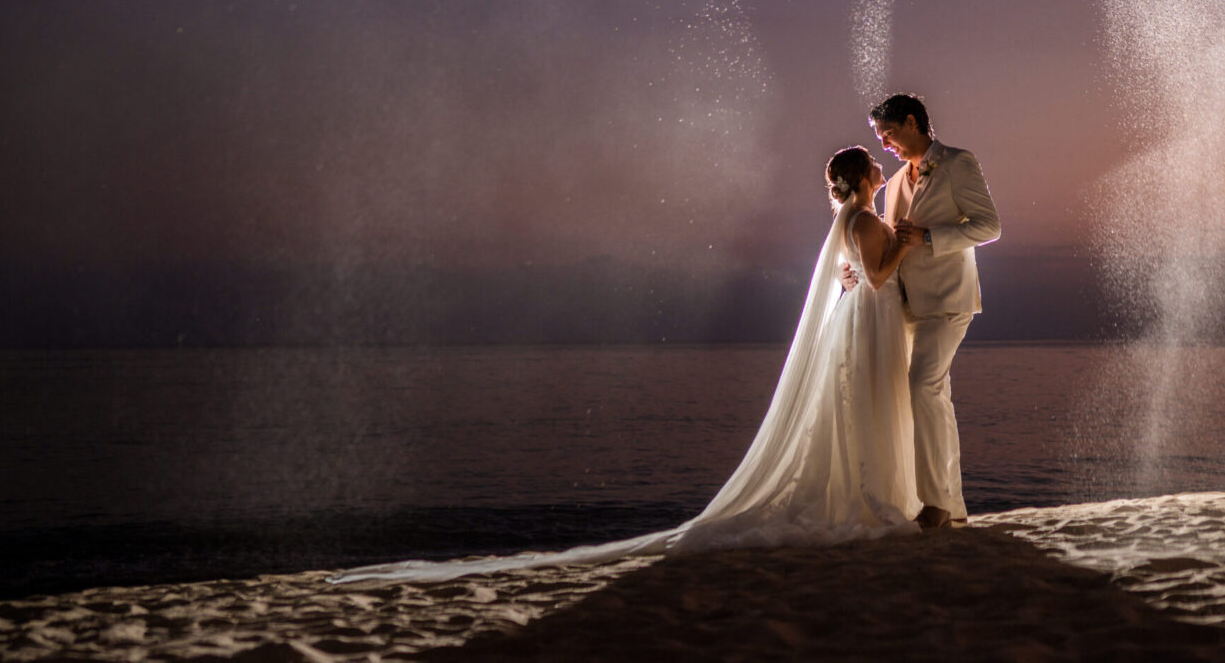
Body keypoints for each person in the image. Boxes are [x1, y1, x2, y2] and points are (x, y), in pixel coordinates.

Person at [332, 146, 921, 584]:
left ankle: (861, 491)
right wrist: (905, 243)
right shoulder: (866, 220)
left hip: (853, 326)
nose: (880, 172)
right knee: (868, 406)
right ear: (862, 178)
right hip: (866, 325)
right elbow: (874, 276)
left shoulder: (844, 221)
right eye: (874, 165)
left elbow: (851, 274)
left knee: (853, 411)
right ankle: (871, 498)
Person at [852, 93, 1000, 531]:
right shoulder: (896, 182)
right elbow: (886, 241)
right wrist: (859, 273)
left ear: (912, 122)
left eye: (890, 134)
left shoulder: (957, 163)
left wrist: (930, 238)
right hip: (906, 305)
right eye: (881, 138)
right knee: (930, 395)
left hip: (949, 300)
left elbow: (989, 226)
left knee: (923, 387)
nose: (886, 145)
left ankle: (936, 504)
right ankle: (948, 502)